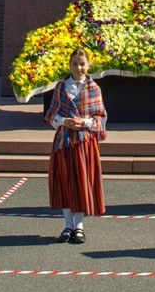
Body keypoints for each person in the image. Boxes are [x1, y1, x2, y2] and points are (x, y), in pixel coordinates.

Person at [43, 47, 108, 244]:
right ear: (69, 65)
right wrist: (64, 121)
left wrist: (85, 123)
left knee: (81, 182)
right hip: (64, 141)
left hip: (84, 142)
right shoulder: (62, 87)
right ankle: (67, 225)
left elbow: (101, 117)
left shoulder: (94, 88)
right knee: (65, 181)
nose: (78, 68)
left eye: (82, 64)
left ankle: (79, 225)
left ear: (88, 66)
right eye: (75, 64)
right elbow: (51, 114)